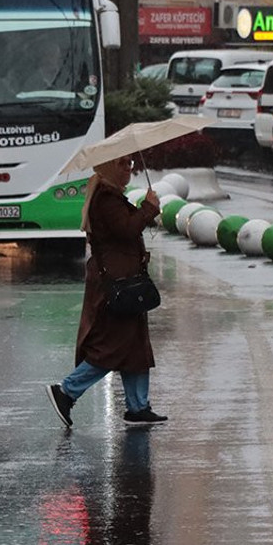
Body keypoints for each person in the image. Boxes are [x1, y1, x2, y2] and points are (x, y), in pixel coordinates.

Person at [46, 154, 166, 428]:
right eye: (122, 163)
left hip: (125, 280)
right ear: (109, 167)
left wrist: (146, 210)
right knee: (113, 346)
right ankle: (66, 391)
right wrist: (148, 208)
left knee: (134, 344)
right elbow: (126, 229)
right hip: (116, 282)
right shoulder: (105, 198)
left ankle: (138, 406)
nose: (128, 168)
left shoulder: (112, 194)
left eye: (130, 163)